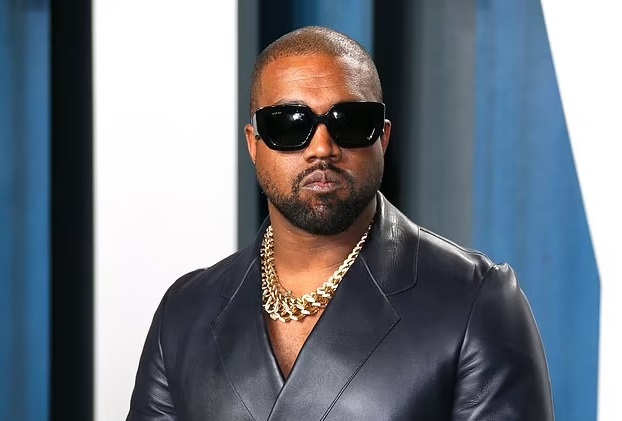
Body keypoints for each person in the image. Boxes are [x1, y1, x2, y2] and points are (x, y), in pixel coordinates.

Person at [126, 26, 554, 420]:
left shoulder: (476, 301)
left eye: (349, 122)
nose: (322, 147)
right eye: (289, 124)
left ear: (383, 137)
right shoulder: (184, 312)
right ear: (254, 145)